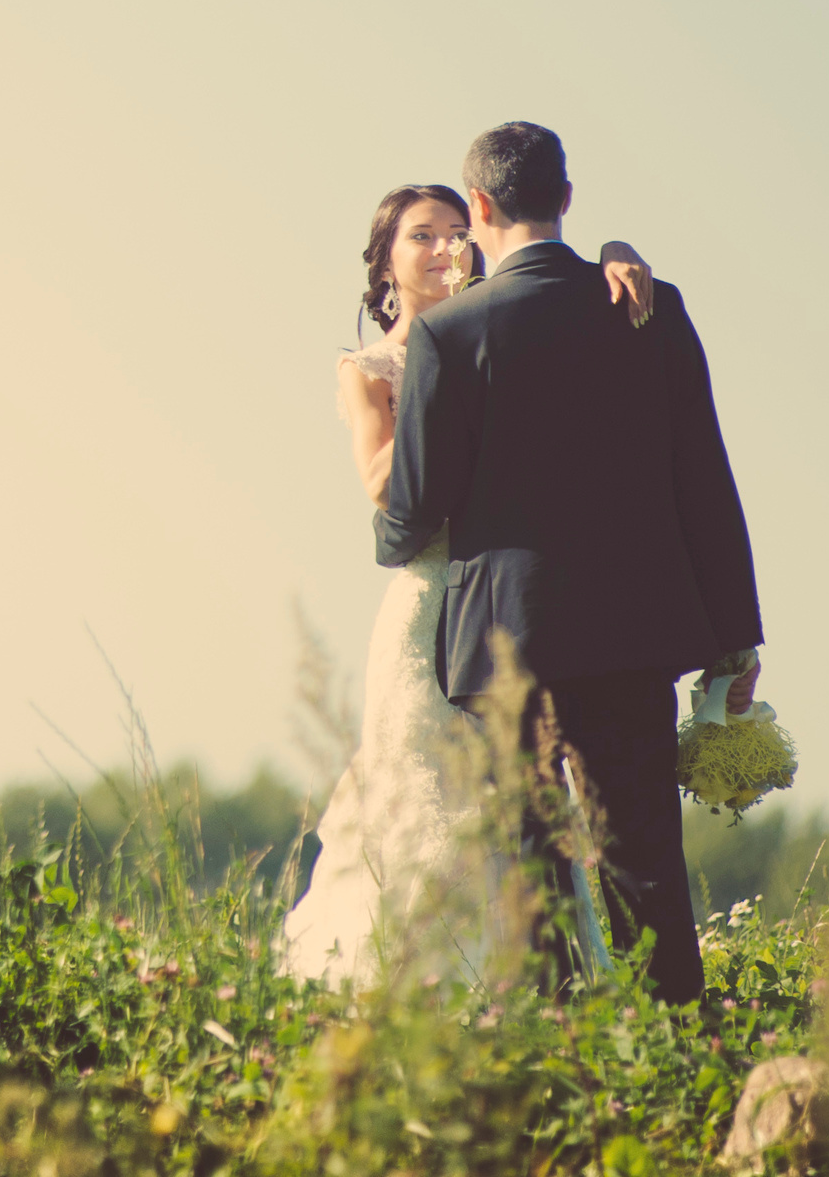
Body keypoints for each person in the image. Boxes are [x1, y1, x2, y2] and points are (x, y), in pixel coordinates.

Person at [376, 122, 763, 1005]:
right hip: (633, 634)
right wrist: (734, 638)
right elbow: (705, 477)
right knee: (643, 862)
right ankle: (674, 1050)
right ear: (568, 199)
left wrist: (389, 539)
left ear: (477, 208)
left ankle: (563, 1051)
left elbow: (415, 509)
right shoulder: (650, 306)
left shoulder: (453, 333)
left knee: (531, 863)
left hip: (503, 648)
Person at [280, 182, 653, 987]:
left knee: (516, 801)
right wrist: (438, 399)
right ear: (386, 263)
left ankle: (531, 985)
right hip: (427, 608)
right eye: (422, 235)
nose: (446, 247)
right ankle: (419, 980)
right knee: (424, 792)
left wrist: (615, 255)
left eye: (458, 230)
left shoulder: (497, 330)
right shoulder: (371, 368)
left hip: (513, 611)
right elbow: (385, 484)